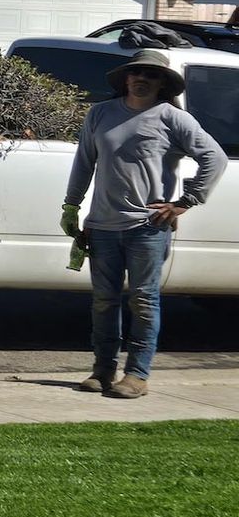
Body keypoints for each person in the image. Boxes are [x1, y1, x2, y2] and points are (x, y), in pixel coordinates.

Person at [62, 48, 227, 398]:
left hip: (147, 228)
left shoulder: (172, 118)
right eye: (136, 74)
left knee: (143, 300)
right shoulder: (100, 114)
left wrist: (185, 202)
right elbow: (84, 163)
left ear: (162, 83)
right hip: (103, 226)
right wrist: (71, 206)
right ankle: (103, 370)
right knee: (104, 301)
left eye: (151, 75)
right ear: (125, 78)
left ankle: (137, 375)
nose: (141, 79)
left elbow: (215, 157)